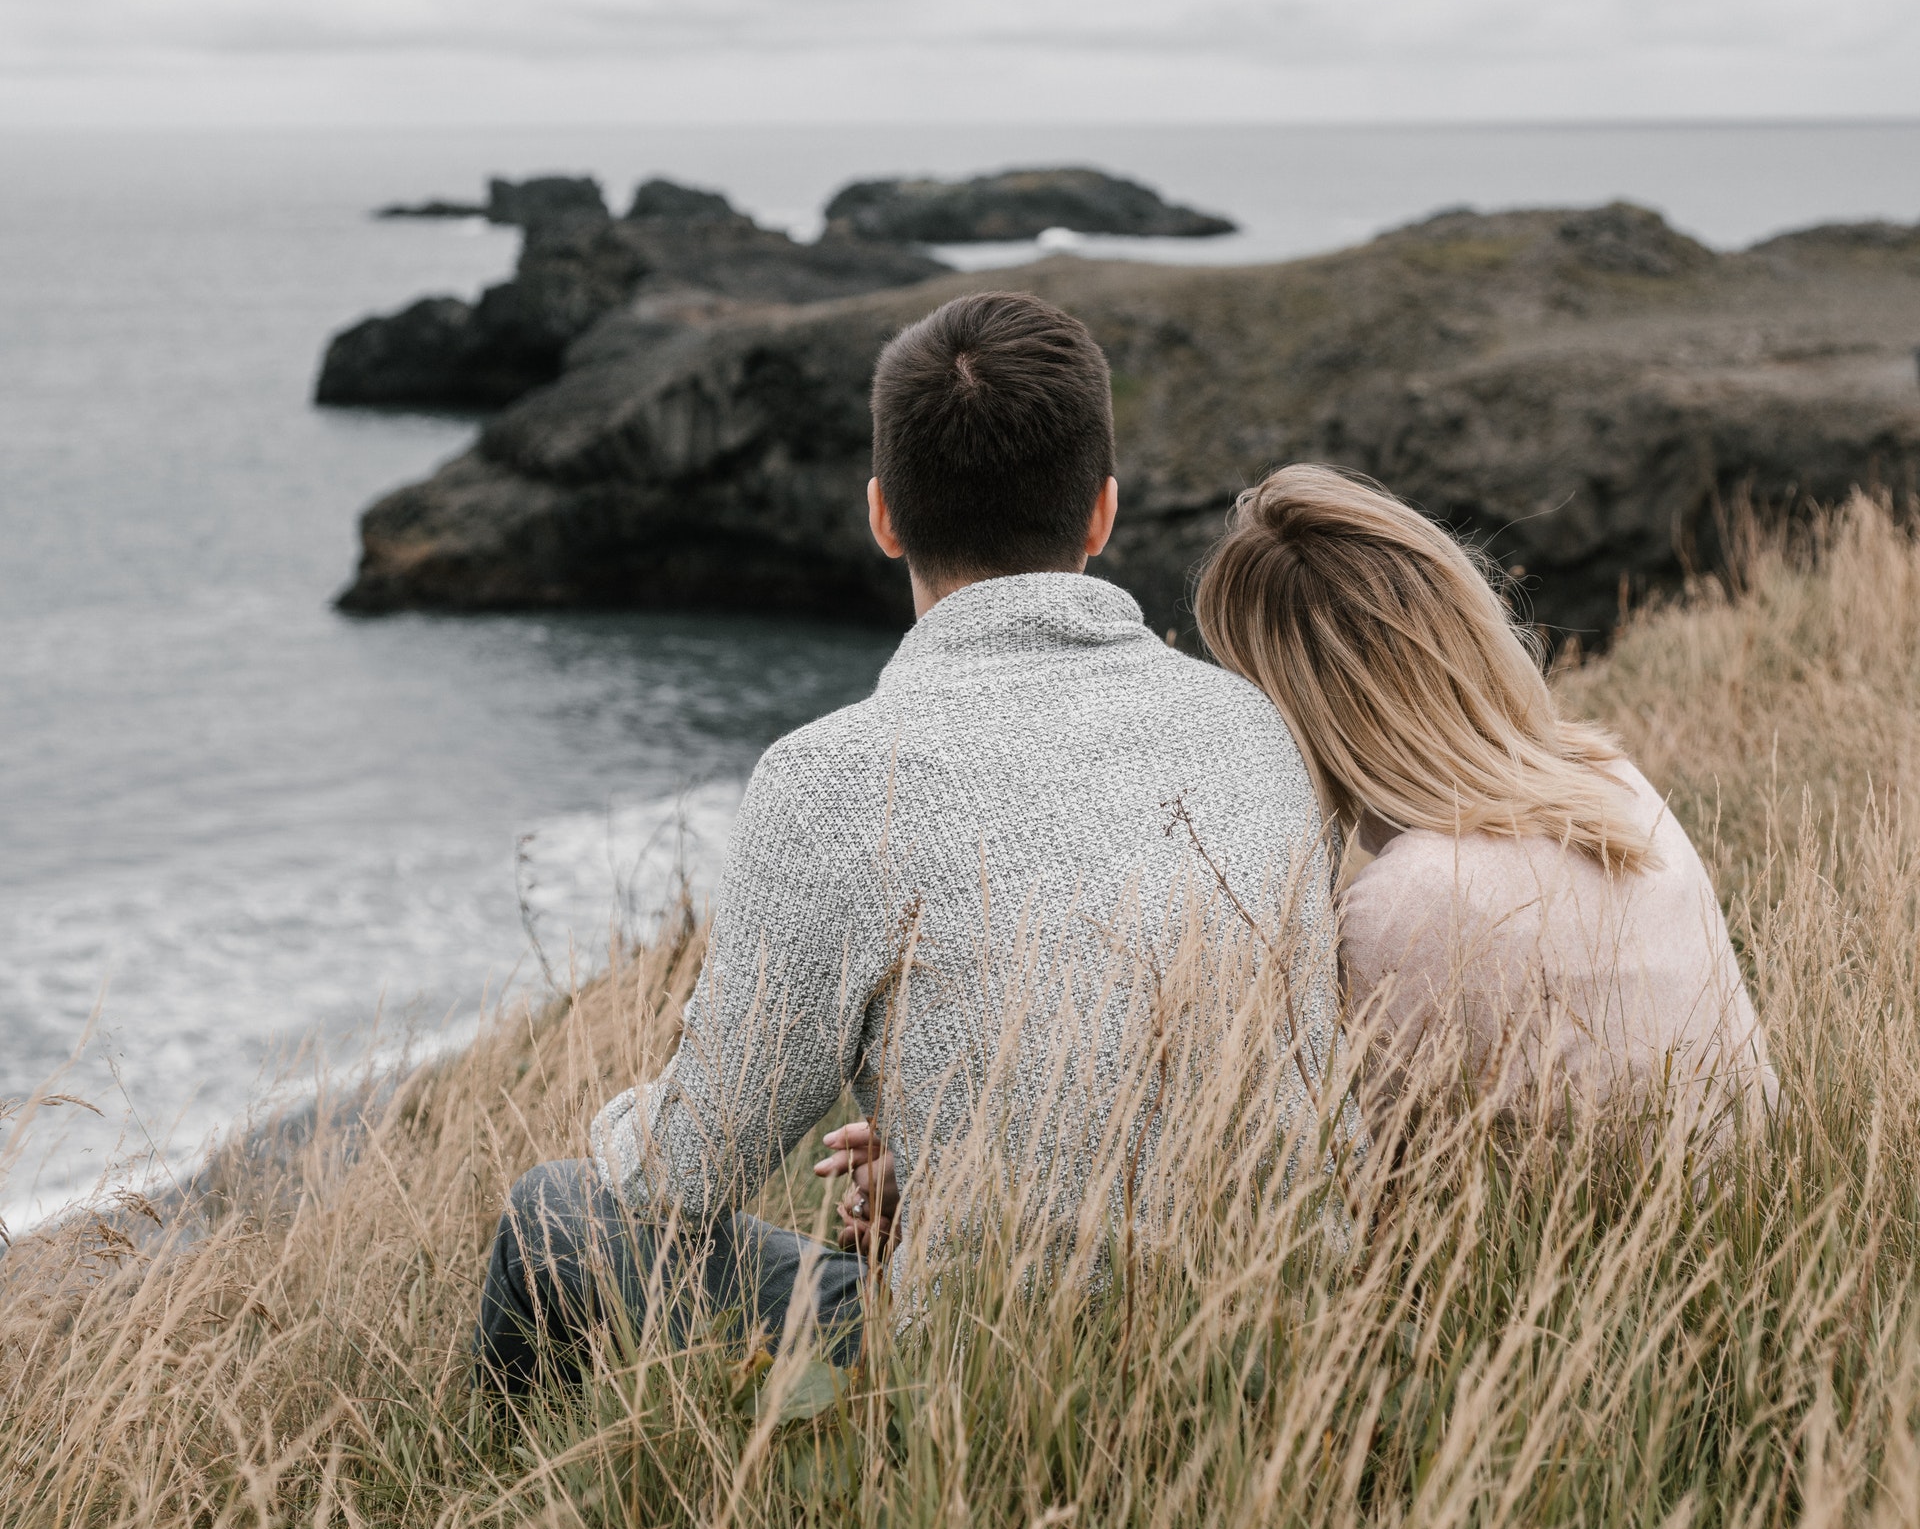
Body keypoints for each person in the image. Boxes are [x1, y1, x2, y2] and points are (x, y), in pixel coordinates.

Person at [474, 292, 1343, 1397]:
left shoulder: (837, 779)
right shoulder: (1251, 726)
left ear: (884, 517)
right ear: (1103, 512)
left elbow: (685, 1172)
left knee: (553, 1213)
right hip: (1280, 1335)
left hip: (1001, 1371)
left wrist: (614, 1132)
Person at [1192, 465, 1773, 1141]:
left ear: (1289, 709)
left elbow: (1375, 1185)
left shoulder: (1411, 899)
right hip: (1760, 1210)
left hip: (1616, 1242)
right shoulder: (1610, 778)